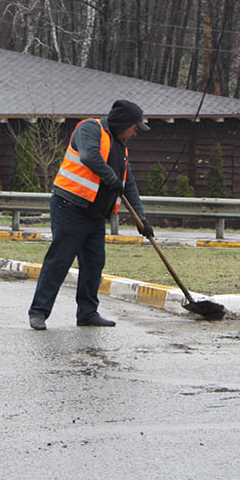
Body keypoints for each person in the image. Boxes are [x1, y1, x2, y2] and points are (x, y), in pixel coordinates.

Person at [27, 100, 154, 330]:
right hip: (69, 207)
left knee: (94, 264)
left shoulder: (121, 148)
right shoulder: (90, 129)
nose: (136, 132)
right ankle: (38, 312)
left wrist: (142, 219)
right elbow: (89, 156)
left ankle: (87, 313)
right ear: (123, 123)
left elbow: (129, 185)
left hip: (95, 215)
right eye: (134, 127)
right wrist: (110, 178)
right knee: (59, 261)